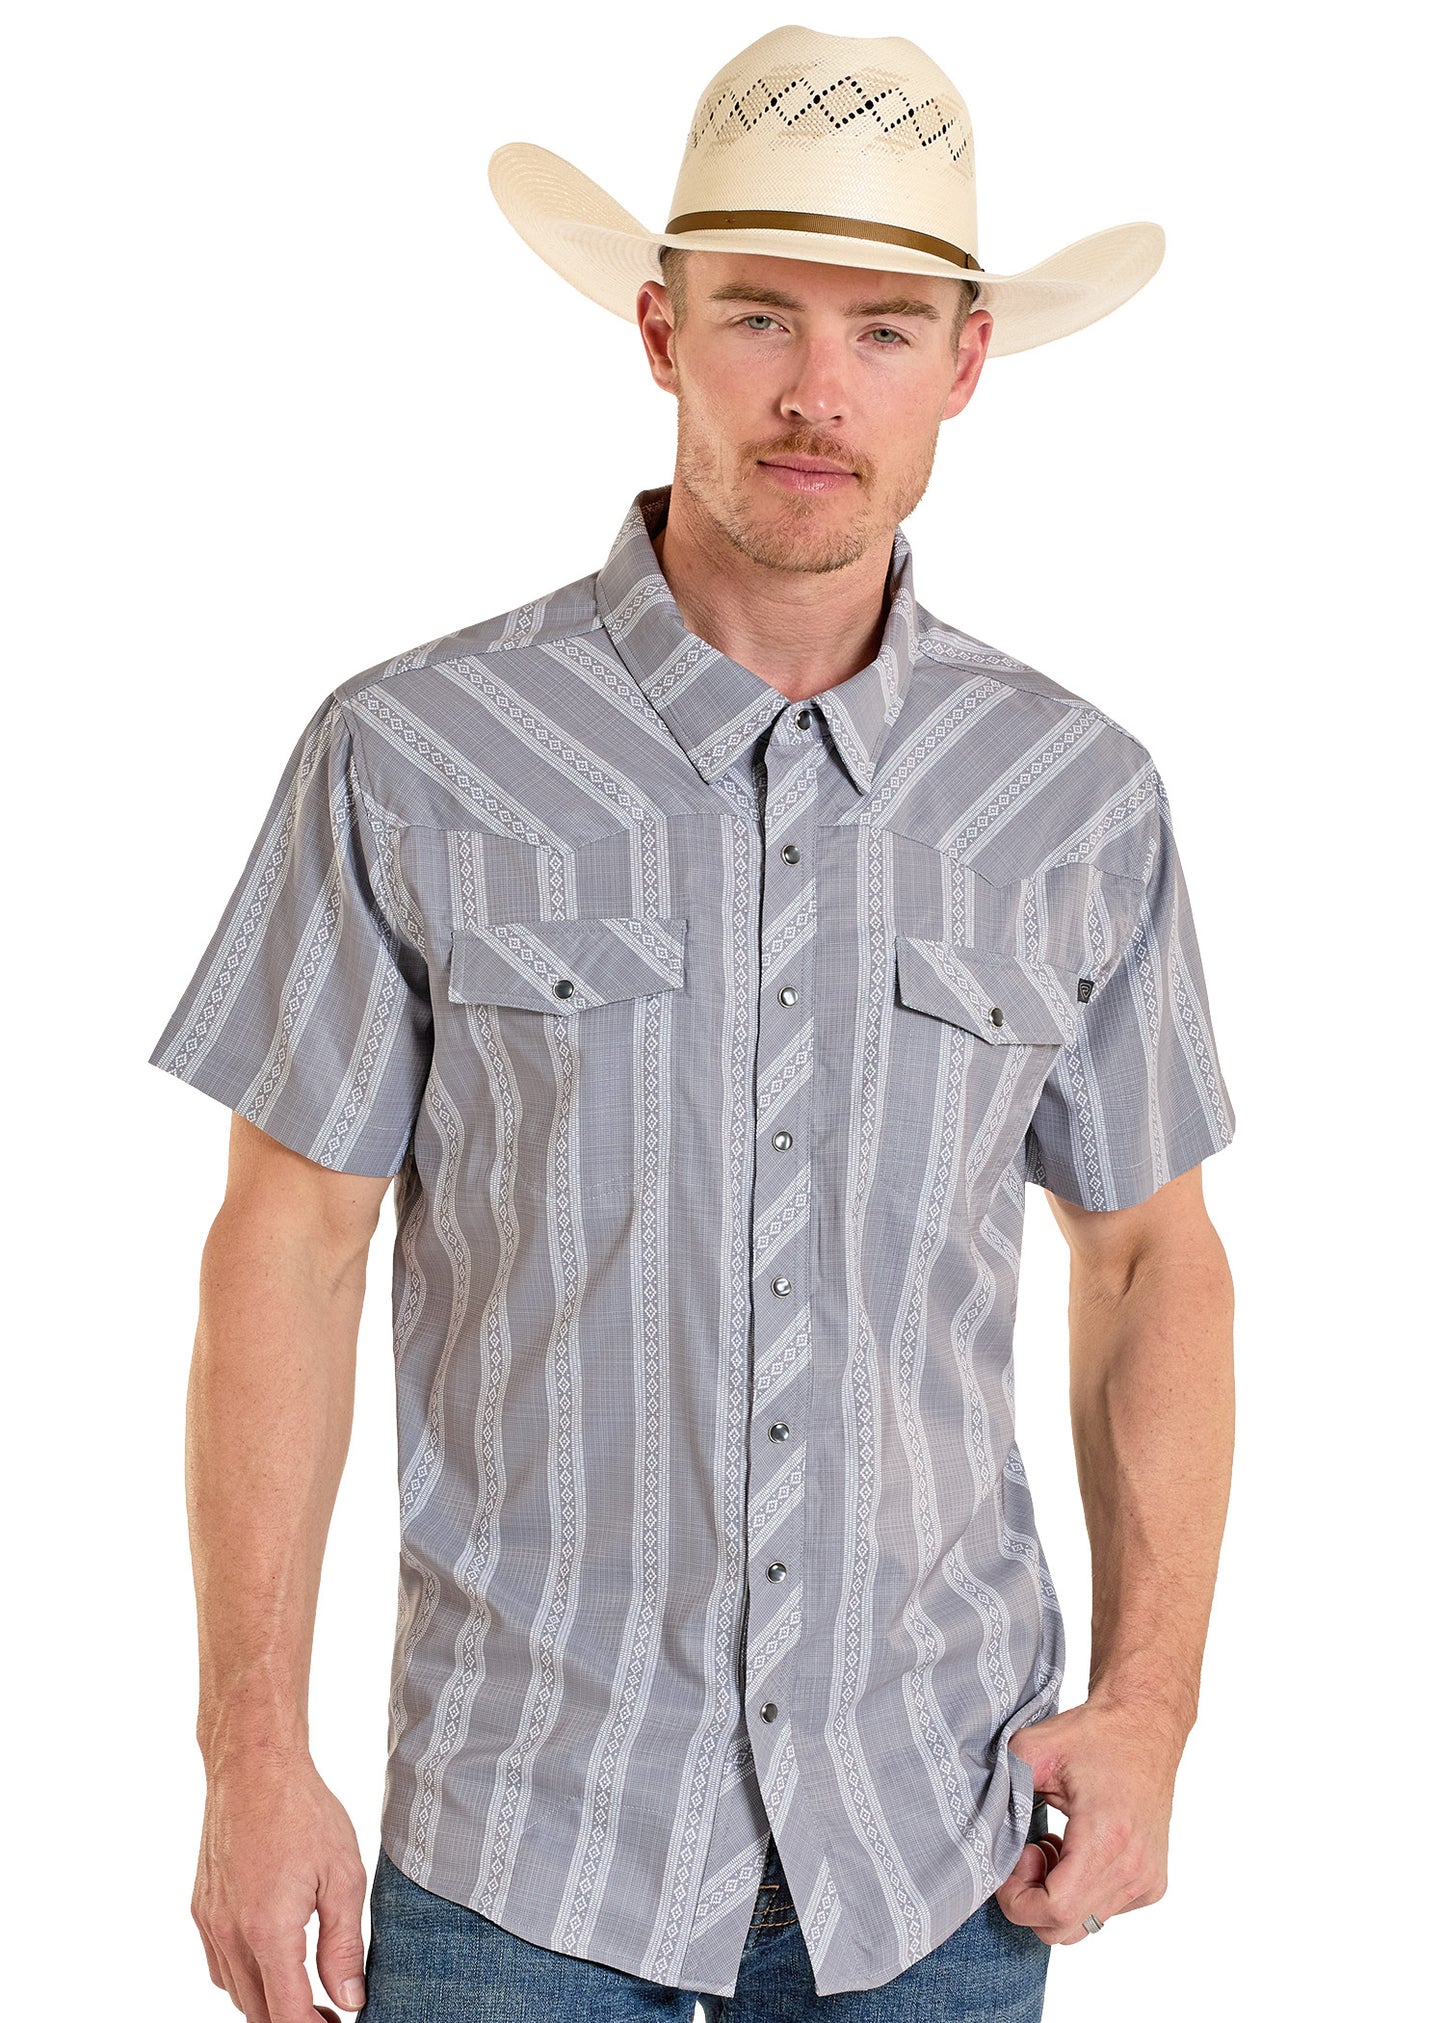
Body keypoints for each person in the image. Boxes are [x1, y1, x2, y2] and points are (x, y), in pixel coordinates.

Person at [148, 25, 1237, 2023]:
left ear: (970, 364)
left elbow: (1156, 1255)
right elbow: (284, 1253)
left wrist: (1155, 1701)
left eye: (886, 329)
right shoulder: (412, 754)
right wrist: (249, 1749)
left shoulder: (1077, 798)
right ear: (660, 333)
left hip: (945, 1860)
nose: (818, 394)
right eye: (759, 316)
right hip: (518, 1861)